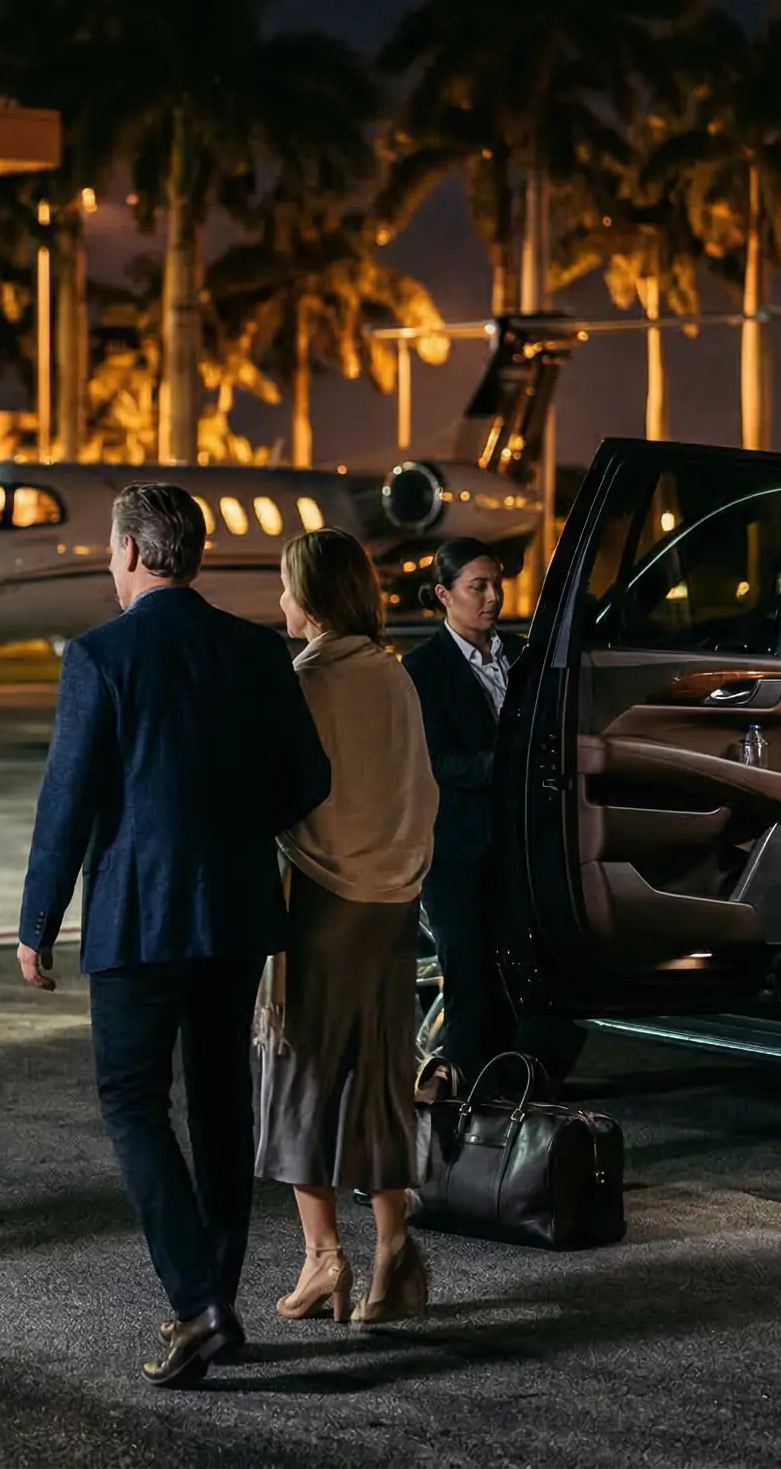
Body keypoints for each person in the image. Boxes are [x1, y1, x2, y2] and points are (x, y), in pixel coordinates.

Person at [18, 483, 332, 1389]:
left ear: (127, 553)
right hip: (234, 911)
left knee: (131, 1103)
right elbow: (307, 779)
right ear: (188, 556)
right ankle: (216, 1299)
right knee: (221, 1106)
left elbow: (67, 803)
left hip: (138, 916)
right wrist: (234, 832)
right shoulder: (254, 648)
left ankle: (198, 1302)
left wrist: (37, 921)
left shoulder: (99, 655)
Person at [254, 529, 438, 1325]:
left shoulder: (303, 682)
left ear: (316, 599)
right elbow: (421, 791)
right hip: (393, 903)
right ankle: (395, 1247)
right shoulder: (395, 681)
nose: (281, 604)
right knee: (378, 1075)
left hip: (320, 901)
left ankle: (324, 1256)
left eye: (289, 589)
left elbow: (276, 793)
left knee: (299, 1074)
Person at [401, 537, 583, 1084]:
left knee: (529, 982)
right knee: (469, 983)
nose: (492, 597)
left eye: (496, 584)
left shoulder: (522, 655)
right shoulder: (423, 668)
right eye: (476, 586)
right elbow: (439, 760)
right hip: (460, 850)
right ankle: (466, 1112)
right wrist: (514, 764)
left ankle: (513, 1097)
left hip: (523, 846)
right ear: (443, 594)